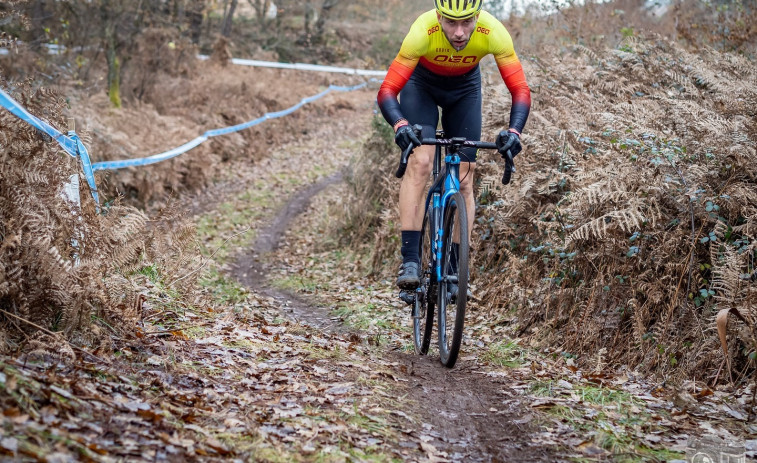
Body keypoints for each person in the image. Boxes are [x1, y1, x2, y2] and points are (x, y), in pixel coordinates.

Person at [377, 0, 531, 300]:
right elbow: (387, 91)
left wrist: (514, 132)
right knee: (421, 162)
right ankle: (409, 260)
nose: (459, 32)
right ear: (439, 16)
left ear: (477, 16)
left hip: (464, 90)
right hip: (420, 86)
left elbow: (520, 90)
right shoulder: (422, 31)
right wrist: (400, 125)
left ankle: (455, 269)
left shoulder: (493, 31)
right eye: (450, 23)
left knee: (464, 176)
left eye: (466, 23)